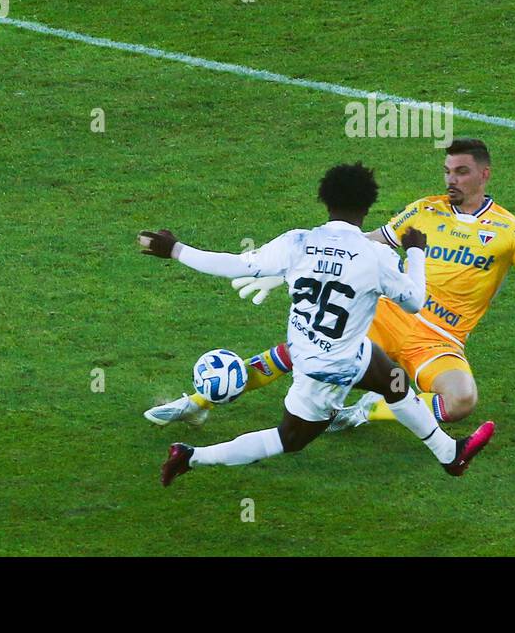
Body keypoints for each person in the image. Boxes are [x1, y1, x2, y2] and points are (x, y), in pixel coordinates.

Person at [146, 139, 515, 432]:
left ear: (484, 174)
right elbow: (364, 242)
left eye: (461, 171)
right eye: (447, 171)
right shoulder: (425, 210)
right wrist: (288, 268)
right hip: (388, 318)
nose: (451, 179)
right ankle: (198, 401)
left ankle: (367, 412)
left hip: (442, 339)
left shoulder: (510, 232)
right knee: (302, 350)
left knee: (460, 403)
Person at [137, 162, 495, 484]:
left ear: (326, 201)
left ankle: (450, 454)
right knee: (289, 439)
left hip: (323, 352)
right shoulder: (375, 256)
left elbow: (236, 264)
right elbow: (415, 301)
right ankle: (191, 456)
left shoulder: (298, 241)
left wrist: (175, 249)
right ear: (368, 205)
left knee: (393, 381)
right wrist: (417, 251)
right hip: (331, 370)